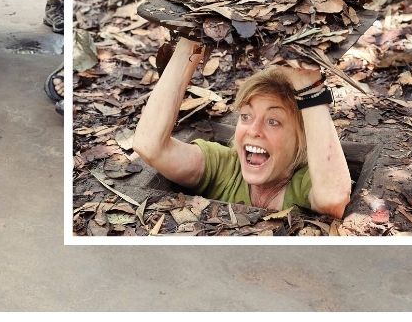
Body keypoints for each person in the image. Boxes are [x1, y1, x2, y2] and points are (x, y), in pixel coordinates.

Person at [132, 37, 352, 218]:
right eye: (246, 116)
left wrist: (308, 88)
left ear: (302, 140)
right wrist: (190, 43)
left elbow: (333, 198)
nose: (253, 130)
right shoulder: (224, 167)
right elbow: (150, 146)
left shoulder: (305, 181)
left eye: (273, 121)